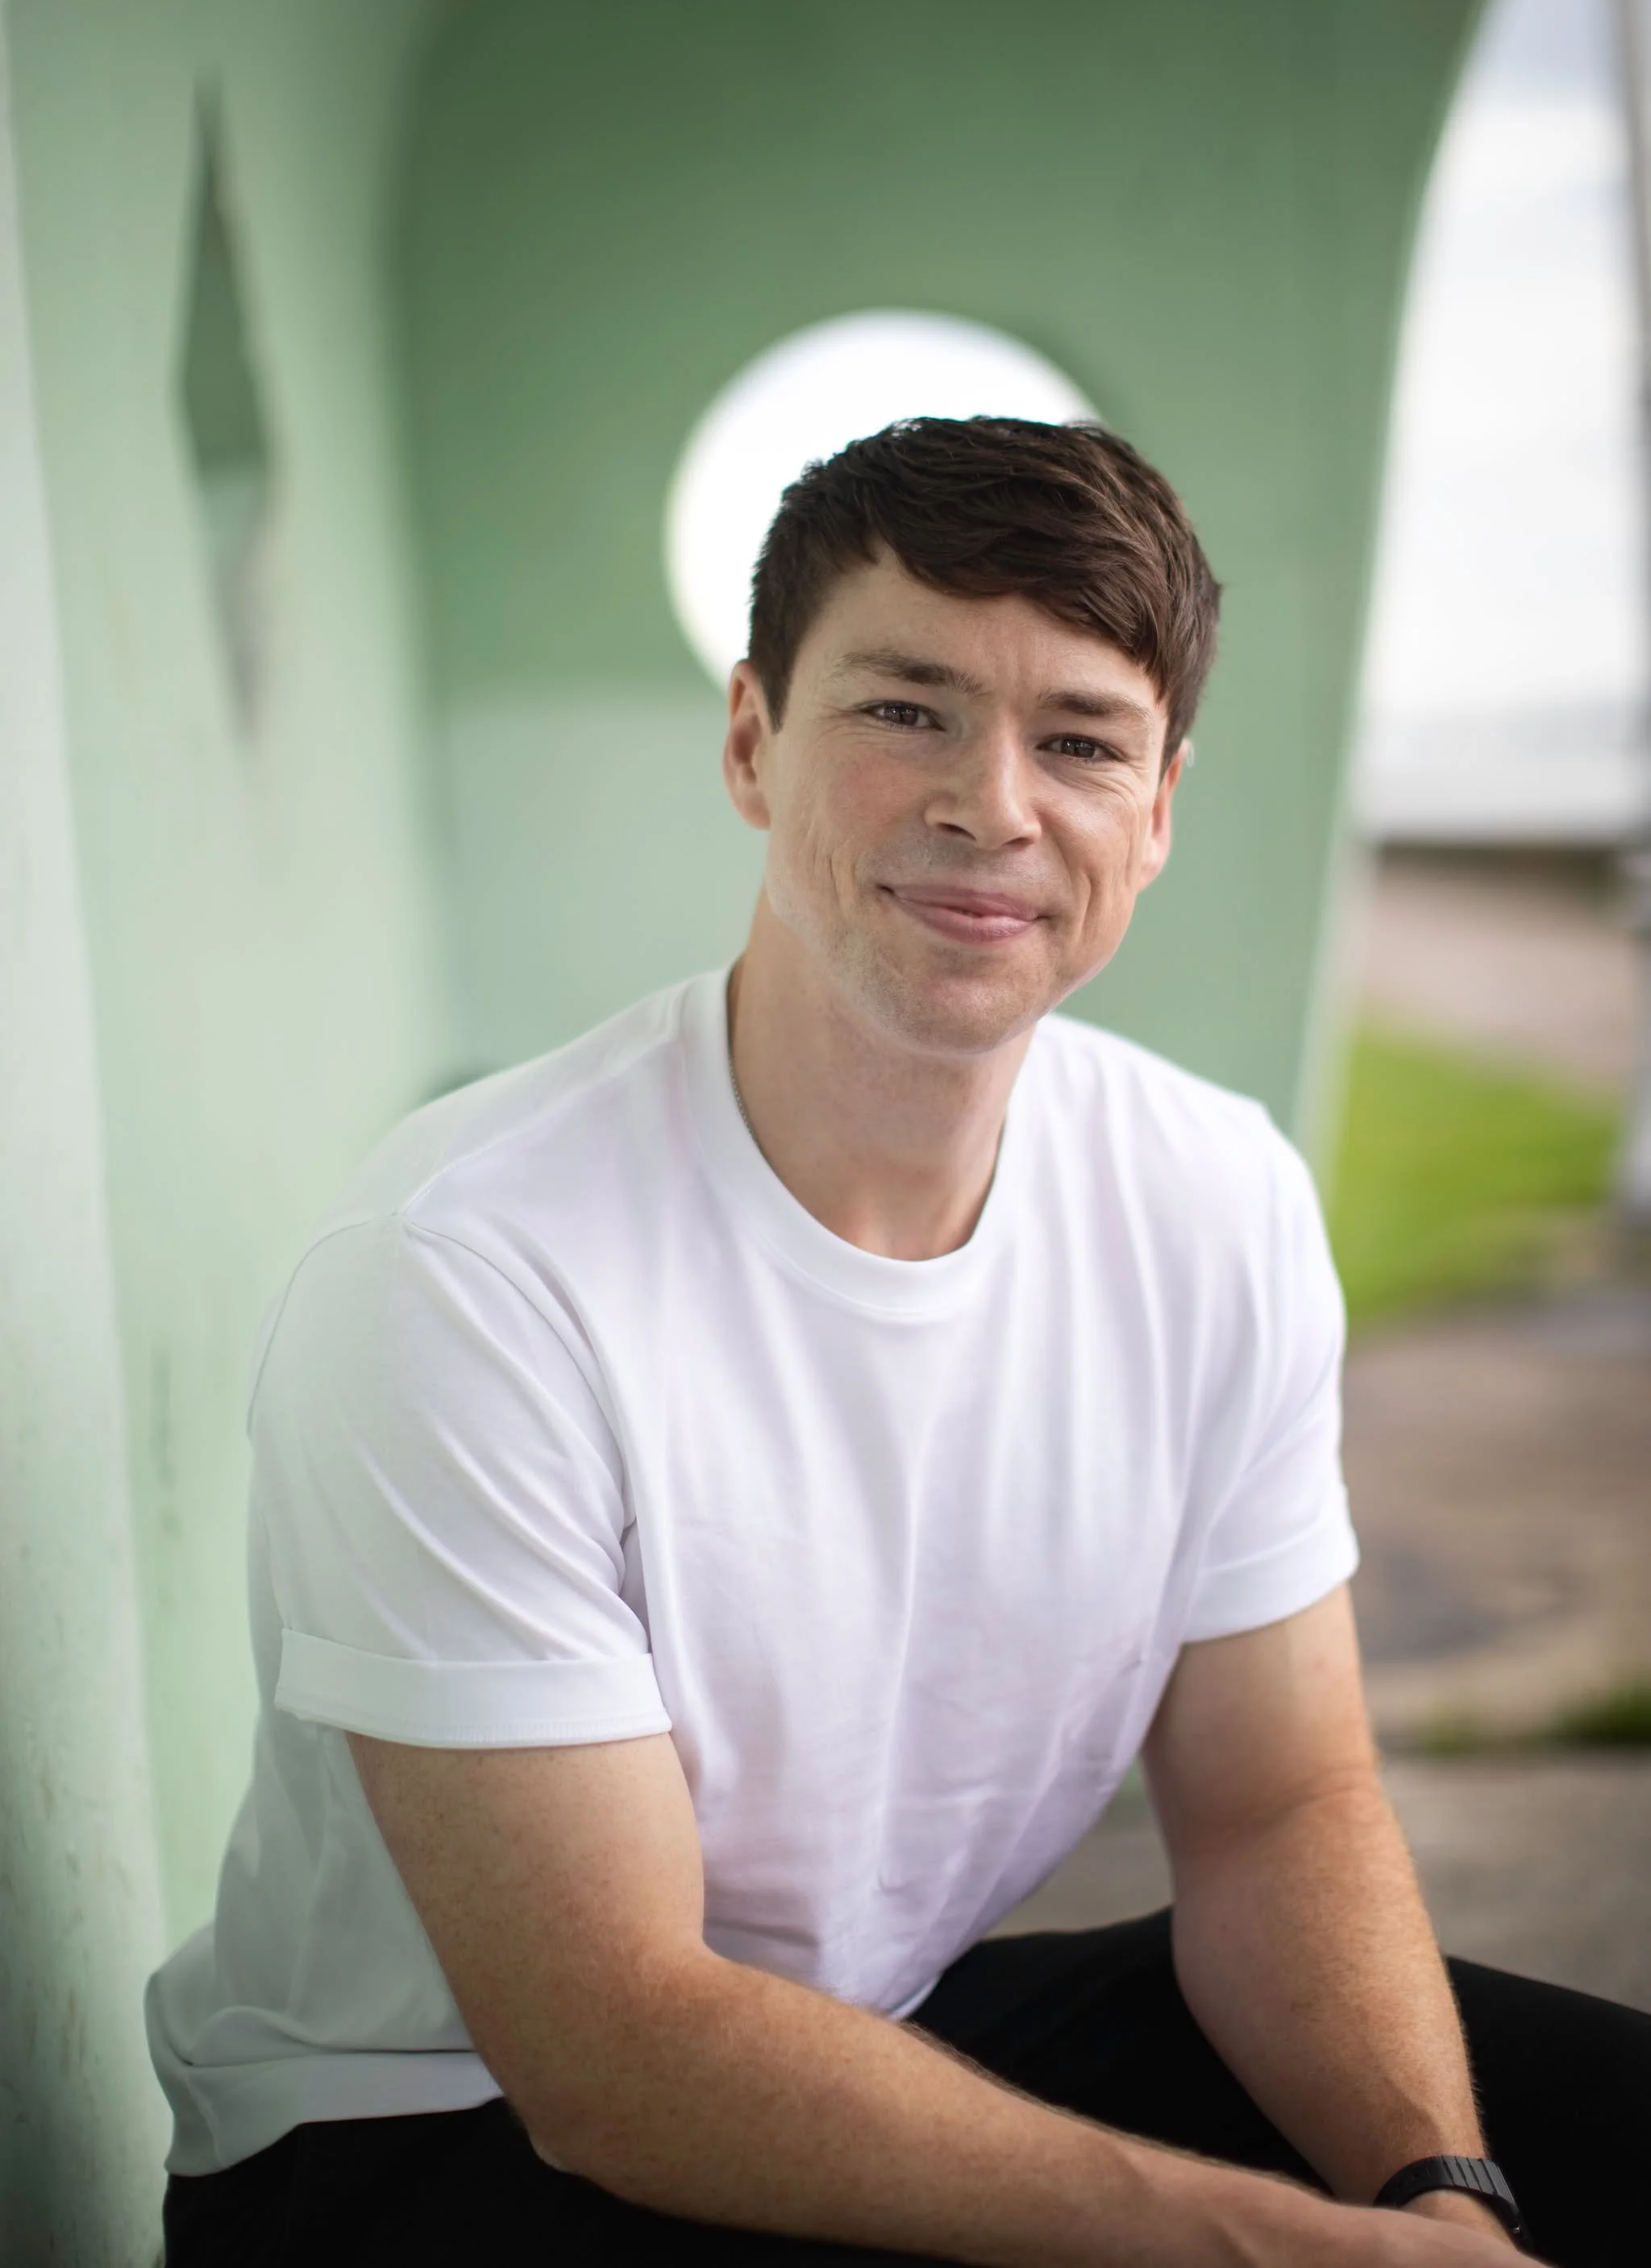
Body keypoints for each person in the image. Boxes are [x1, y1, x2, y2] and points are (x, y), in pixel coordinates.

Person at [148, 418, 1646, 2268]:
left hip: (861, 2023)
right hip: (425, 2151)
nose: (992, 803)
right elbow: (614, 2050)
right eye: (904, 708)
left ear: (1158, 809)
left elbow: (1276, 1811)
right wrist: (1299, 2250)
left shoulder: (1215, 1200)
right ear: (750, 741)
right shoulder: (472, 1265)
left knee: (1602, 2121)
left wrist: (1435, 2195)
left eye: (1079, 740)